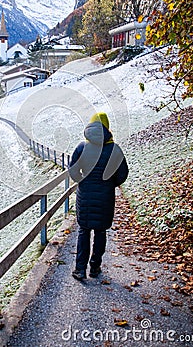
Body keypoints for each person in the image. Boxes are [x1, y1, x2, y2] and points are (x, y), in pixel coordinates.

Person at [68, 112, 128, 281]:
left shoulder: (81, 148)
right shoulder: (114, 150)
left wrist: (83, 181)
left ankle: (80, 269)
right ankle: (95, 267)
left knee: (84, 231)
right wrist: (109, 184)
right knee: (100, 231)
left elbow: (72, 170)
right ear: (107, 128)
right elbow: (123, 174)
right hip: (105, 198)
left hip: (85, 196)